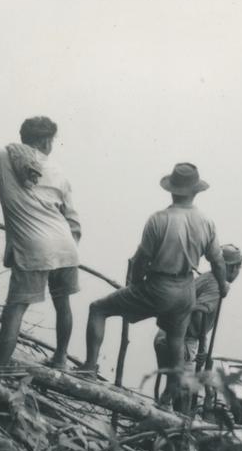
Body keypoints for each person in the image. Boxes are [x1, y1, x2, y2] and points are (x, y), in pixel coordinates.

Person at [82, 163, 228, 410]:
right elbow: (218, 262)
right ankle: (169, 396)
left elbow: (141, 260)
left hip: (159, 286)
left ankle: (88, 367)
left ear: (172, 190)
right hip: (185, 289)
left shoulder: (159, 219)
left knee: (98, 309)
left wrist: (136, 285)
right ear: (195, 192)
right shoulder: (206, 221)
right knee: (176, 338)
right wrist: (222, 286)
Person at [0, 116, 81, 368]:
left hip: (33, 247)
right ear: (44, 142)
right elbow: (73, 220)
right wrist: (67, 249)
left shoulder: (1, 156)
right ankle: (61, 359)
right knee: (62, 303)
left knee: (15, 309)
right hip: (64, 244)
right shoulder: (57, 171)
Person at [153, 243, 242, 372]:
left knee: (174, 386)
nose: (239, 271)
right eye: (239, 266)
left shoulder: (207, 277)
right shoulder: (216, 284)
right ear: (231, 268)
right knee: (184, 389)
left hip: (166, 336)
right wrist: (203, 348)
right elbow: (198, 313)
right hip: (180, 341)